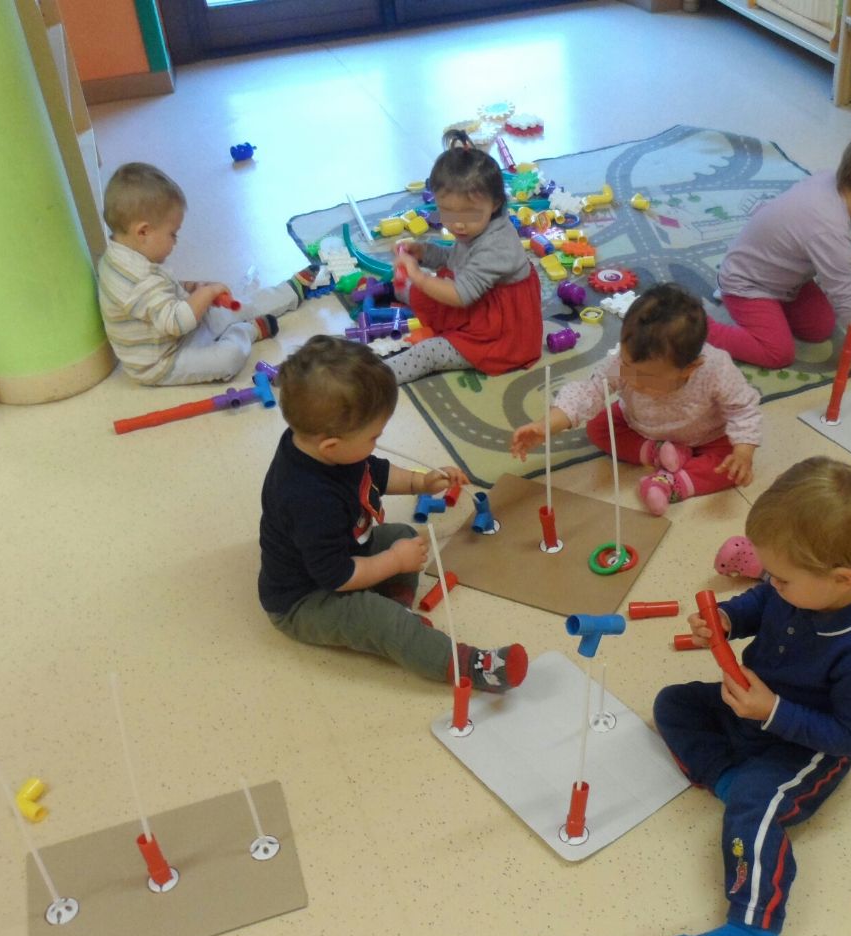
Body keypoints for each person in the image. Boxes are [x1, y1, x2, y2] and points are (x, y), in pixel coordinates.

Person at [653, 457, 851, 936]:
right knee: (672, 704)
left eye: (783, 578)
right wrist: (728, 618)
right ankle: (732, 783)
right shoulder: (798, 587)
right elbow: (764, 600)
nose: (772, 583)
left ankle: (754, 931)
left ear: (841, 579)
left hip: (806, 747)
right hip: (751, 711)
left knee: (756, 803)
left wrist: (774, 712)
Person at [258, 336, 527, 691]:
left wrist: (422, 482)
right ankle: (472, 666)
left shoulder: (323, 449)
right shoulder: (309, 500)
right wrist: (394, 562)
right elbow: (338, 577)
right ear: (332, 446)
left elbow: (374, 471)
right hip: (306, 599)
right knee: (380, 617)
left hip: (347, 549)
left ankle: (399, 607)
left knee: (403, 535)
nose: (378, 442)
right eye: (373, 436)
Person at [509, 284, 761, 515]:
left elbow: (743, 408)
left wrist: (743, 450)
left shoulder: (716, 369)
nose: (633, 380)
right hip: (641, 427)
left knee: (731, 468)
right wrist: (546, 425)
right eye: (627, 365)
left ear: (689, 369)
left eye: (648, 377)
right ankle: (658, 453)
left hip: (707, 436)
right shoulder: (623, 364)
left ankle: (669, 484)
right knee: (599, 426)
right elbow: (589, 391)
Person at [707, 123, 851, 382]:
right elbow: (848, 300)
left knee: (820, 328)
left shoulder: (833, 181)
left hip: (786, 277)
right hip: (747, 283)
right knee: (777, 352)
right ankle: (704, 329)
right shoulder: (828, 229)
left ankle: (773, 309)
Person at [97, 162, 303, 386]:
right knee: (227, 359)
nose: (175, 242)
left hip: (176, 332)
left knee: (236, 307)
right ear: (143, 232)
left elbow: (160, 292)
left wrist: (189, 288)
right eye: (173, 234)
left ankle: (290, 290)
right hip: (163, 360)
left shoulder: (120, 255)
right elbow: (177, 322)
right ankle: (248, 331)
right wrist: (207, 293)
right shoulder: (139, 280)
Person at [387, 131, 542, 383]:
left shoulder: (497, 246)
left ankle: (378, 377)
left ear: (495, 204)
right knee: (415, 290)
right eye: (447, 212)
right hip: (476, 300)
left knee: (429, 352)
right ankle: (404, 292)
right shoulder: (476, 226)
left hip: (500, 331)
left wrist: (418, 276)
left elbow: (460, 295)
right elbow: (458, 258)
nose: (458, 224)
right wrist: (424, 252)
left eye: (469, 213)